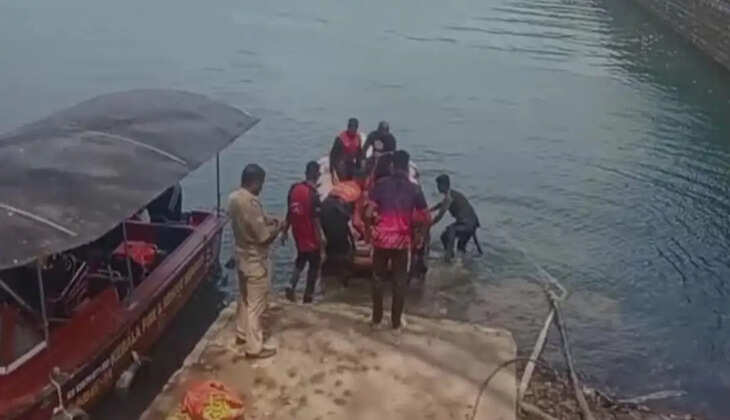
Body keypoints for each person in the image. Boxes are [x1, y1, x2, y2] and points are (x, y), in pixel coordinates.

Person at [367, 150, 427, 330]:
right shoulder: (415, 189)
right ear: (407, 167)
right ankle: (396, 322)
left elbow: (368, 212)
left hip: (381, 239)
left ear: (392, 166)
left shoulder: (380, 185)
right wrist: (419, 236)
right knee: (399, 282)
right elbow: (426, 217)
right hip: (401, 242)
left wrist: (370, 230)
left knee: (377, 279)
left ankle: (376, 319)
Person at [228, 164, 283, 359]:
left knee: (244, 298)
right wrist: (278, 229)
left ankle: (241, 333)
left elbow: (250, 220)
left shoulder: (234, 198)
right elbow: (263, 238)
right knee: (256, 306)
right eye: (261, 183)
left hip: (241, 257)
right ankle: (254, 348)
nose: (262, 188)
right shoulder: (252, 203)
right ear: (255, 182)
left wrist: (268, 219)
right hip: (255, 261)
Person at [282, 161, 324, 304]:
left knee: (300, 259)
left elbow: (289, 212)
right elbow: (316, 222)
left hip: (298, 233)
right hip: (311, 236)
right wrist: (321, 242)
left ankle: (291, 284)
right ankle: (308, 296)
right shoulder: (313, 195)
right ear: (317, 175)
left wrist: (285, 231)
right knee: (314, 266)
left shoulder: (294, 189)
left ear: (306, 173)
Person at [430, 174, 480, 262]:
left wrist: (429, 224)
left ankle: (448, 258)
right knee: (460, 248)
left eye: (438, 185)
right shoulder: (453, 194)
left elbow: (440, 215)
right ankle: (462, 263)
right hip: (472, 224)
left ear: (443, 185)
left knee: (448, 233)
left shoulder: (449, 197)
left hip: (465, 224)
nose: (437, 187)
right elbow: (441, 204)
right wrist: (430, 210)